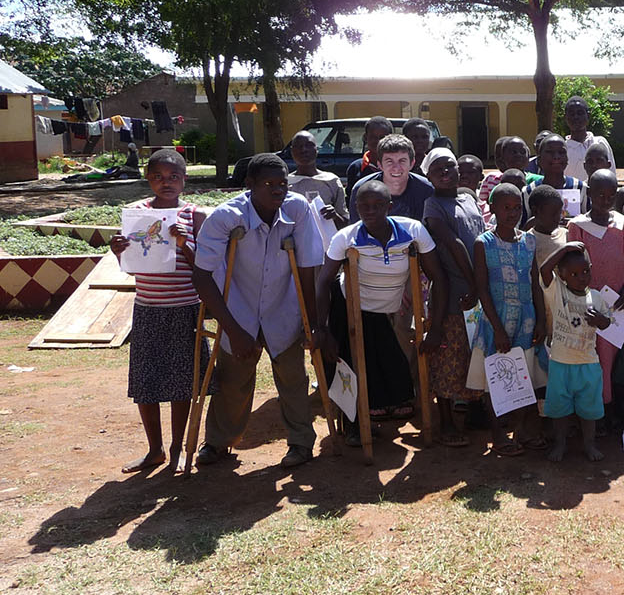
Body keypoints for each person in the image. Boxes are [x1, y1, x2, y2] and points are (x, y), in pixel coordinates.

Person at [192, 153, 324, 469]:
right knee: (233, 381)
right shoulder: (225, 217)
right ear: (249, 184)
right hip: (238, 308)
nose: (278, 191)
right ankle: (219, 442)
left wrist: (313, 323)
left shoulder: (297, 209)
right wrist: (235, 332)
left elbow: (308, 267)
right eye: (269, 184)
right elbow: (201, 276)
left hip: (284, 307)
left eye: (283, 184)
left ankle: (301, 443)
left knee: (293, 379)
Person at [316, 180, 444, 447]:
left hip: (385, 310)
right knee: (349, 366)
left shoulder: (413, 230)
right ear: (356, 207)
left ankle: (372, 417)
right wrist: (322, 328)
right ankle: (353, 426)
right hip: (350, 305)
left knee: (389, 368)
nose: (370, 211)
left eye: (377, 205)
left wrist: (436, 326)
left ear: (390, 205)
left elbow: (437, 277)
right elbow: (324, 280)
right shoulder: (347, 237)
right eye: (363, 206)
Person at [109, 149, 208, 473]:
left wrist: (184, 245)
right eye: (158, 177)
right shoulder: (137, 214)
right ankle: (155, 450)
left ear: (185, 180)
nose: (166, 183)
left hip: (184, 311)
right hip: (148, 309)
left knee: (182, 384)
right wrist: (118, 252)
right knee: (146, 383)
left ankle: (178, 448)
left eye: (173, 177)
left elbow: (205, 267)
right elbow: (130, 267)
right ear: (148, 179)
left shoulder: (194, 216)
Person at [472, 182, 545, 455]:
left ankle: (523, 431)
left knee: (525, 376)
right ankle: (499, 435)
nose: (512, 213)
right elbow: (482, 288)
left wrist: (540, 320)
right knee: (497, 378)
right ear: (493, 209)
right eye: (506, 207)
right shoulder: (484, 243)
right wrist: (498, 329)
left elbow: (535, 282)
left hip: (526, 319)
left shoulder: (529, 240)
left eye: (517, 207)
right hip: (497, 319)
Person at [421, 147, 487, 447]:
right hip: (453, 292)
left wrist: (482, 284)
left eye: (450, 166)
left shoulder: (468, 199)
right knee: (449, 356)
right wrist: (475, 284)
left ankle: (475, 412)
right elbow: (455, 243)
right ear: (429, 175)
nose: (445, 173)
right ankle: (446, 423)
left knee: (475, 352)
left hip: (477, 288)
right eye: (438, 169)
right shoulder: (433, 206)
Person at [566, 169, 624, 423]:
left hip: (615, 302)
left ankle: (606, 409)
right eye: (600, 194)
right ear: (590, 194)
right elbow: (571, 265)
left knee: (610, 358)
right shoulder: (577, 225)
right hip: (586, 303)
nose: (605, 199)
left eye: (611, 194)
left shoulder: (622, 224)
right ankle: (586, 413)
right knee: (589, 357)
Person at [538, 242, 612, 462]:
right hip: (561, 363)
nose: (581, 277)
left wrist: (600, 320)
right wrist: (564, 249)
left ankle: (589, 445)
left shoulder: (596, 297)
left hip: (588, 363)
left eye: (585, 271)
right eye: (574, 273)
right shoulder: (557, 291)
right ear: (561, 275)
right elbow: (543, 270)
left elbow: (607, 323)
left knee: (588, 410)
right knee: (560, 410)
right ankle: (560, 445)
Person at [349, 134, 434, 222]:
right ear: (379, 164)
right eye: (389, 161)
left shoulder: (427, 190)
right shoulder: (362, 190)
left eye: (402, 161)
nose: (396, 168)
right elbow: (355, 229)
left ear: (412, 163)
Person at [287, 131, 347, 230]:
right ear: (292, 151)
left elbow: (345, 224)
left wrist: (334, 216)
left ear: (317, 149)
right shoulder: (286, 184)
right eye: (299, 146)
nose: (304, 150)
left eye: (309, 145)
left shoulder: (331, 181)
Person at [523, 133, 584, 217]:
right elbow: (523, 227)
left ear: (567, 158)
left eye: (561, 152)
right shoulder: (529, 191)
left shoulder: (581, 188)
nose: (556, 157)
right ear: (539, 159)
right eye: (550, 152)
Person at [562, 95, 615, 182]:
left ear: (588, 116)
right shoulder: (563, 149)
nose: (576, 117)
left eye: (580, 113)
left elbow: (611, 173)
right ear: (565, 118)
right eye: (571, 114)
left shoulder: (600, 143)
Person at [345, 115, 392, 196]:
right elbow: (350, 199)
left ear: (390, 138)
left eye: (382, 137)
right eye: (373, 137)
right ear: (366, 138)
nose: (378, 141)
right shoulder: (356, 167)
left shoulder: (397, 166)